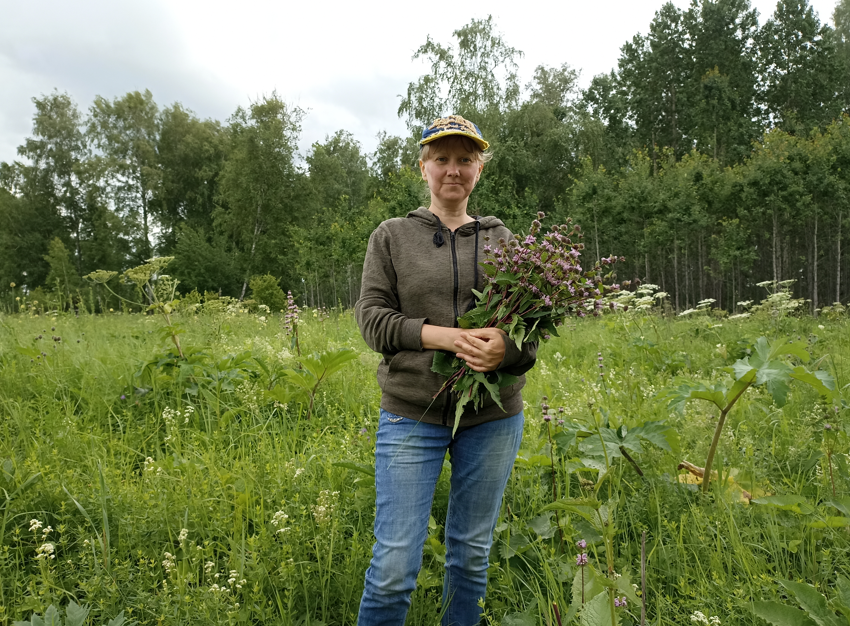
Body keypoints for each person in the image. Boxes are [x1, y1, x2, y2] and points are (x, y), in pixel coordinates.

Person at [354, 115, 538, 626]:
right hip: (413, 413)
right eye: (442, 159)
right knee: (394, 563)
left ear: (479, 168)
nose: (453, 170)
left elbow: (533, 327)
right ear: (423, 167)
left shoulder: (504, 240)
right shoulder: (391, 237)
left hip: (493, 417)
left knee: (471, 555)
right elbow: (372, 319)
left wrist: (506, 348)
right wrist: (443, 337)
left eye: (465, 159)